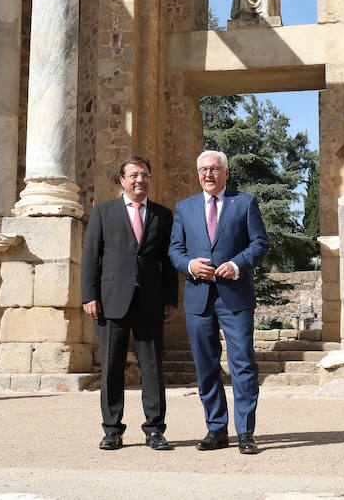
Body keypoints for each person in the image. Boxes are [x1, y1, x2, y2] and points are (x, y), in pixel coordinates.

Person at [169, 150, 269, 454]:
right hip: (199, 298)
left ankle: (245, 433)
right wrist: (188, 266)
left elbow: (260, 243)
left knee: (242, 365)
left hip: (234, 297)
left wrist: (237, 264)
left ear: (226, 172)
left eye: (213, 169)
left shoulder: (245, 202)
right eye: (202, 170)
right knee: (206, 367)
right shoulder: (184, 208)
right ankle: (216, 429)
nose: (208, 175)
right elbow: (175, 250)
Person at [80, 155, 178, 451]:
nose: (140, 180)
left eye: (145, 175)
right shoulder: (103, 212)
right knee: (111, 367)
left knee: (153, 368)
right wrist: (89, 295)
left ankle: (155, 429)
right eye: (134, 175)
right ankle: (112, 429)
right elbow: (91, 257)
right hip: (111, 301)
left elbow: (168, 261)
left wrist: (171, 298)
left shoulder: (162, 215)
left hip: (150, 300)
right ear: (122, 180)